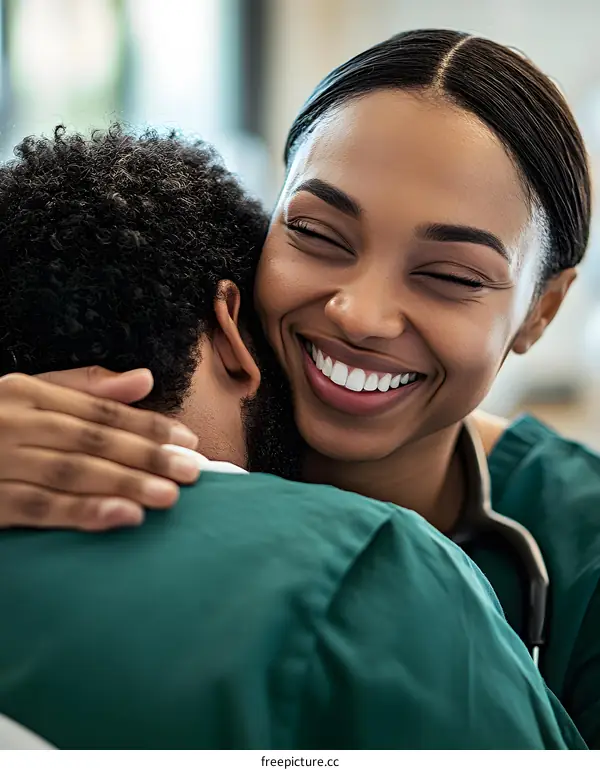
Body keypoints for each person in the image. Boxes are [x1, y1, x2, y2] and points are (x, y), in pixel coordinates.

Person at [1, 28, 599, 744]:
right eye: (317, 233)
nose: (360, 314)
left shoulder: (581, 541)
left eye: (450, 276)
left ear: (540, 311)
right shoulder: (87, 418)